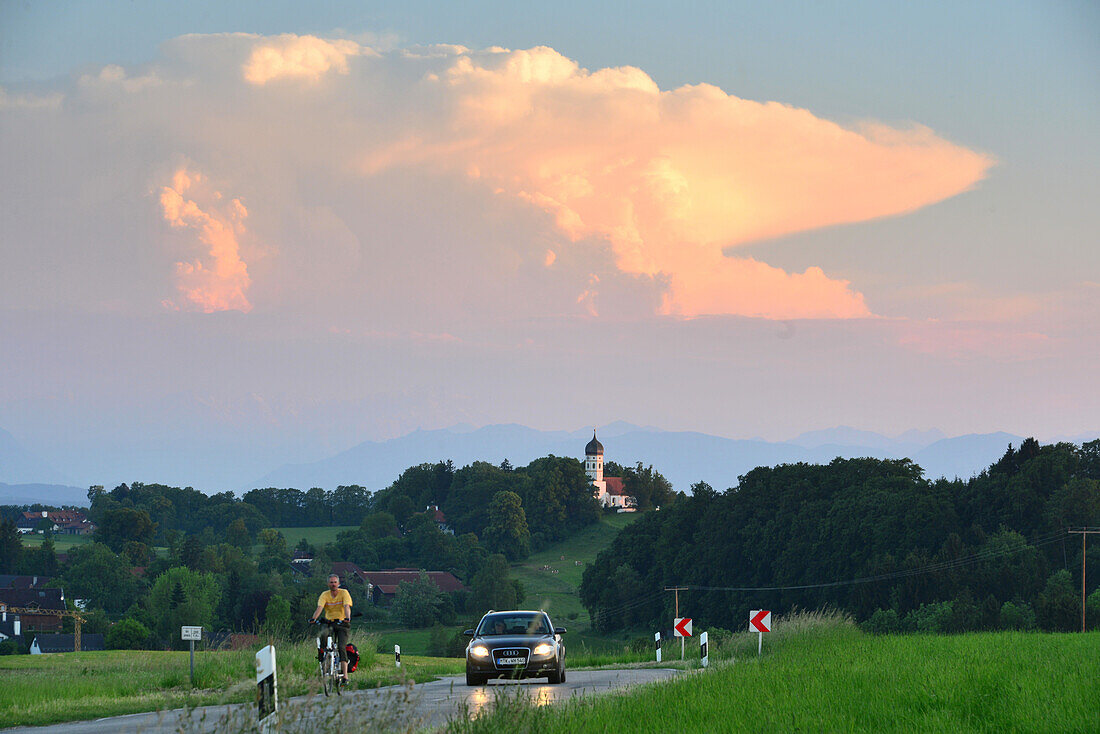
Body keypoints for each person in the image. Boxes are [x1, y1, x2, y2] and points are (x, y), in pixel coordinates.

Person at [311, 573, 353, 682]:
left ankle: (345, 676)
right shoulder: (324, 595)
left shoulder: (344, 593)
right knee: (323, 637)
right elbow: (320, 607)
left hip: (342, 623)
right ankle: (324, 657)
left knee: (341, 646)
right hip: (329, 622)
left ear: (338, 583)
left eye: (335, 582)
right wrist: (314, 618)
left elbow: (346, 606)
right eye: (331, 582)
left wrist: (347, 618)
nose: (333, 584)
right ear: (328, 584)